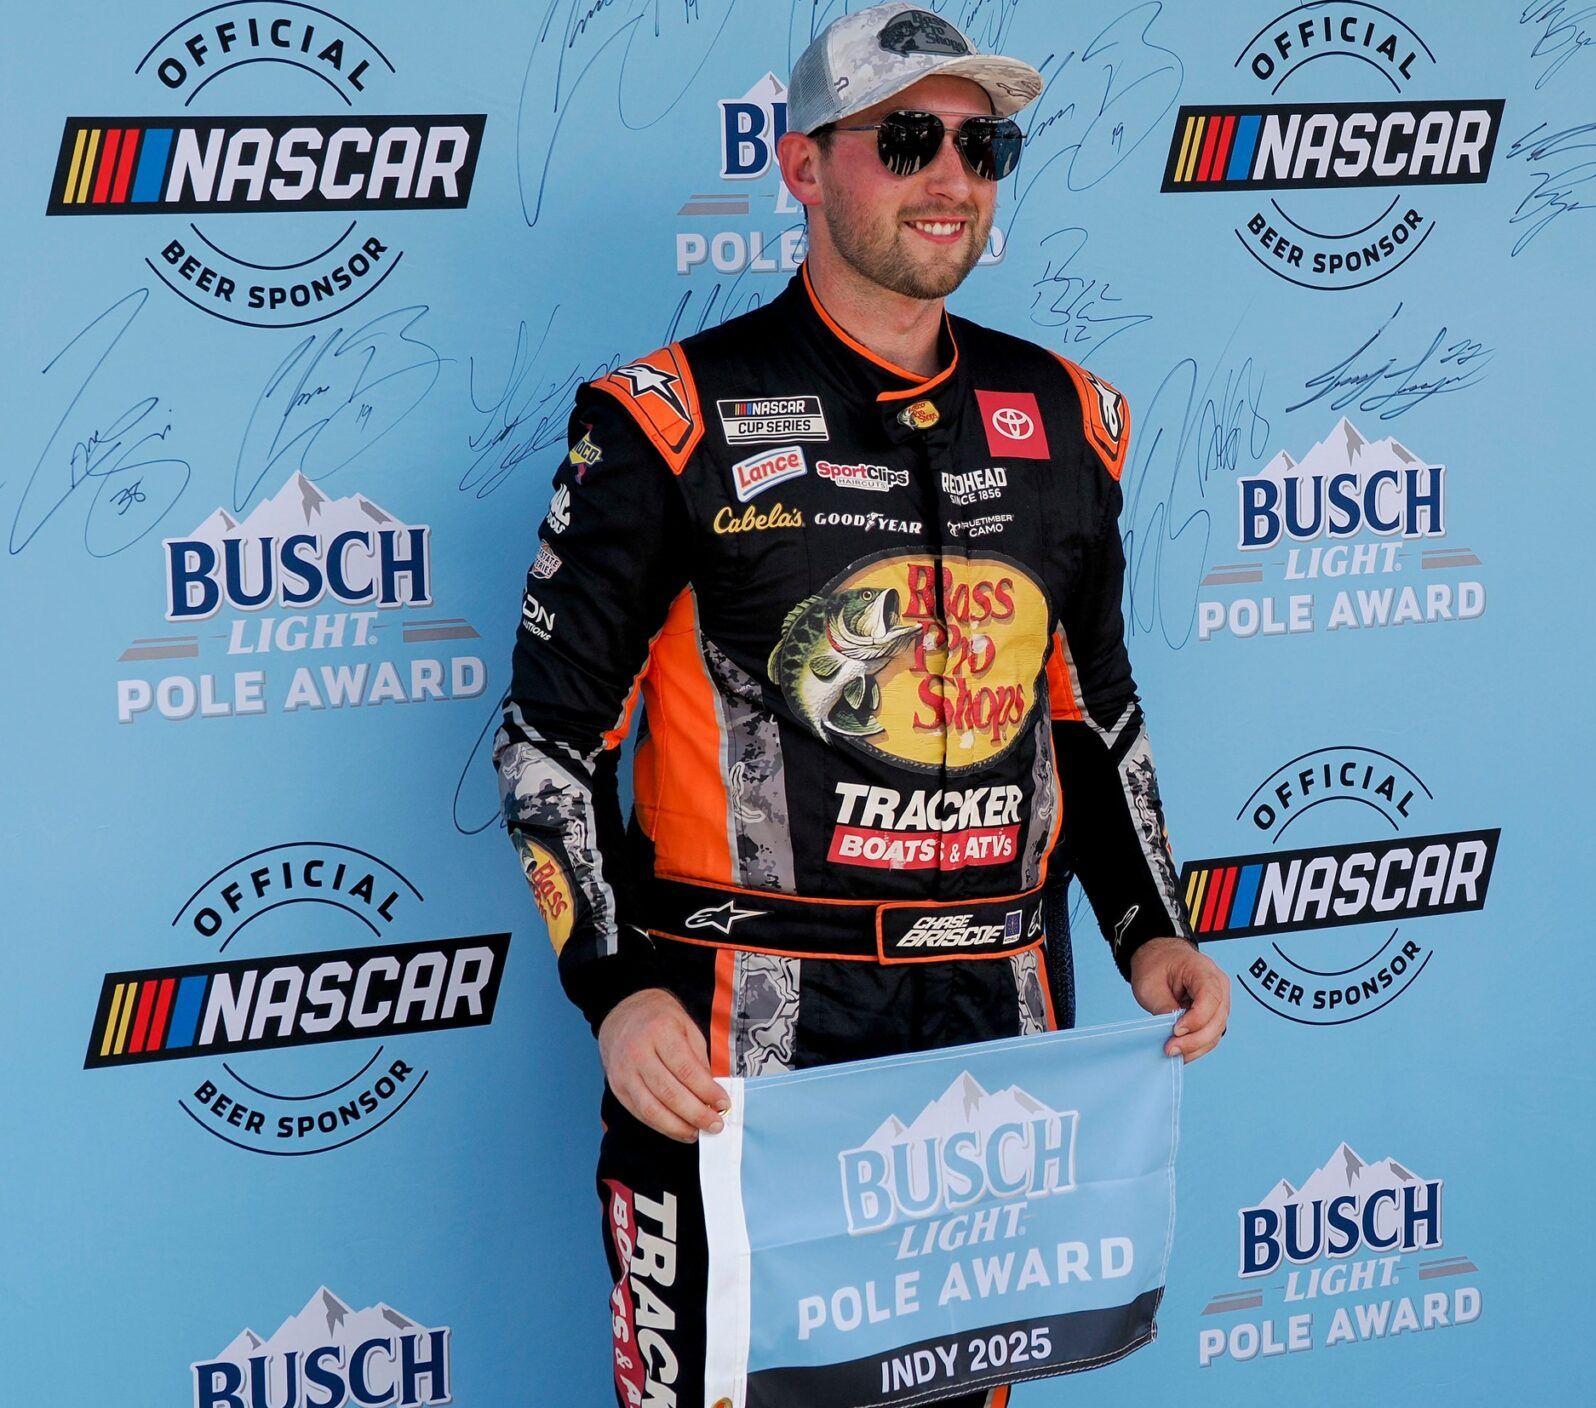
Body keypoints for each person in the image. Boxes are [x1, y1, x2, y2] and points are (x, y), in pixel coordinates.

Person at [493, 5, 1230, 1403]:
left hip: (993, 1014)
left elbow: (1090, 709)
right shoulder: (665, 418)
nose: (949, 174)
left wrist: (1149, 929)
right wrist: (617, 989)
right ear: (805, 167)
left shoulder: (1069, 412)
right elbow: (551, 737)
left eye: (981, 142)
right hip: (742, 1029)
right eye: (905, 138)